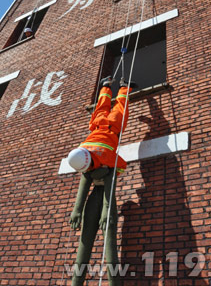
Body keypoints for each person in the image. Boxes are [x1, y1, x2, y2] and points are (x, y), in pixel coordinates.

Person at [68, 76, 137, 286]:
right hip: (103, 129)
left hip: (101, 127)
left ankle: (111, 86)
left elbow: (109, 189)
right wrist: (78, 210)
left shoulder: (103, 162)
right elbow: (86, 183)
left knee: (106, 107)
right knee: (115, 107)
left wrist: (105, 213)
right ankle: (117, 86)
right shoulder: (95, 159)